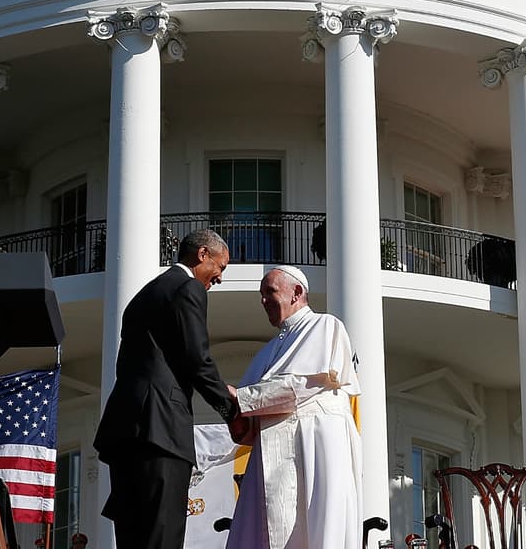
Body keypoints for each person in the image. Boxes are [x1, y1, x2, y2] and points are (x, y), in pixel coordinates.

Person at [94, 229, 239, 549]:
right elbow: (197, 359)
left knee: (133, 537)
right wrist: (231, 409)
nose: (219, 278)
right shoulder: (188, 288)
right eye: (221, 267)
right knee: (162, 536)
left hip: (125, 431)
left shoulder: (144, 295)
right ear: (202, 255)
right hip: (160, 431)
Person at [225, 265, 363, 549]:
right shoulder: (265, 352)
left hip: (315, 442)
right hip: (270, 450)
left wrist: (241, 398)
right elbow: (249, 421)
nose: (263, 301)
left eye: (270, 292)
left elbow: (303, 384)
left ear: (296, 292)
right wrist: (236, 417)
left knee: (318, 526)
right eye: (261, 295)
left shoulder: (325, 325)